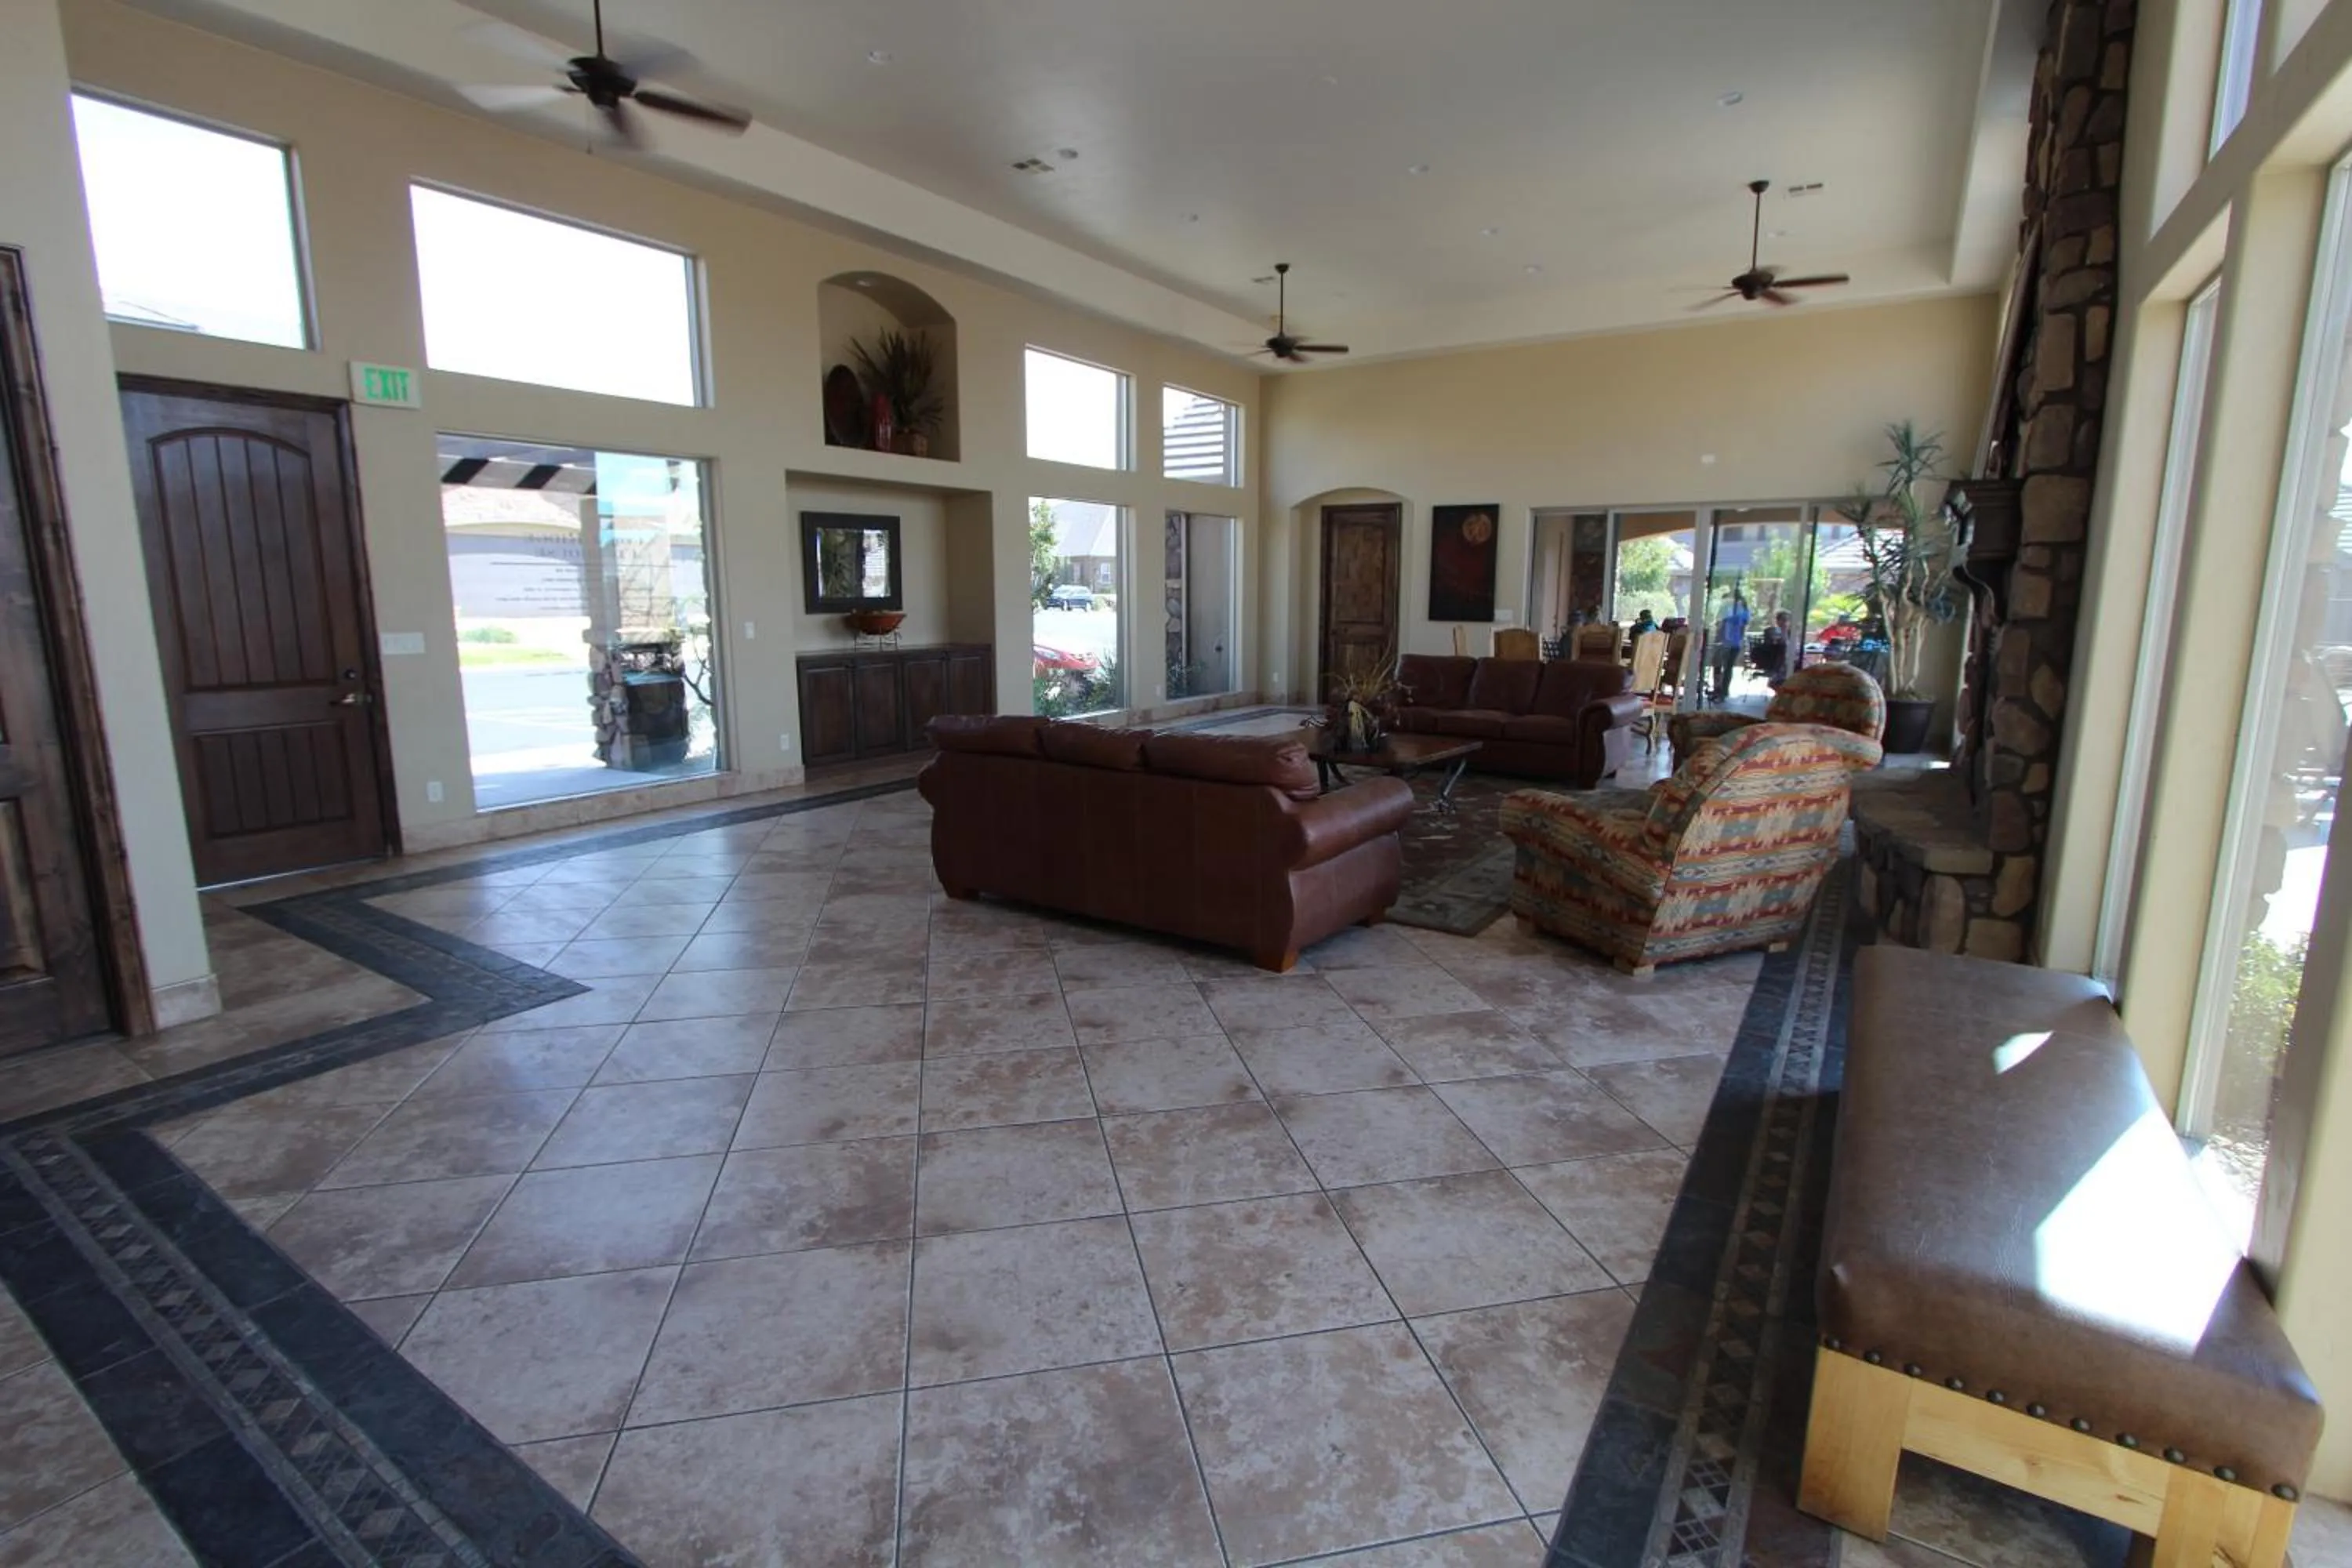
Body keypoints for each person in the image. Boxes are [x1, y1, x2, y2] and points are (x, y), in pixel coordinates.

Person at [1711, 590, 1751, 702]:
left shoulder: (1729, 610)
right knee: (1728, 667)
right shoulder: (1744, 611)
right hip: (1734, 642)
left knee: (1719, 665)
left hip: (1725, 641)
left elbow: (1719, 624)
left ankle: (1718, 688)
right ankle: (1723, 690)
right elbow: (1743, 628)